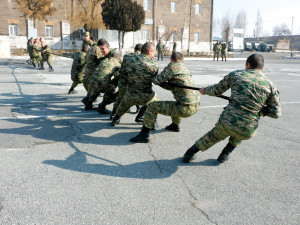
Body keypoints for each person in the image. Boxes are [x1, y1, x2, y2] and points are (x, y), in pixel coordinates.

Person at [182, 54, 281, 164]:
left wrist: (204, 90)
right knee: (242, 128)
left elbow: (216, 90)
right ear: (262, 67)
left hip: (227, 122)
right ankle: (224, 155)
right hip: (248, 128)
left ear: (248, 64)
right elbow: (276, 113)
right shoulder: (270, 85)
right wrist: (260, 110)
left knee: (214, 136)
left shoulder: (236, 75)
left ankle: (189, 154)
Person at [130, 52, 200, 143]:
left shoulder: (172, 66)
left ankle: (144, 135)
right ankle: (174, 126)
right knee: (175, 104)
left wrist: (149, 75)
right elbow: (172, 87)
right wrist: (162, 83)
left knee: (152, 106)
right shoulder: (184, 68)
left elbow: (156, 80)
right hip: (195, 105)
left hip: (184, 108)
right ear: (182, 60)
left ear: (171, 59)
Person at [112, 42, 159, 126]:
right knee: (154, 100)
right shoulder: (154, 65)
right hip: (146, 96)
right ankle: (153, 122)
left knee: (124, 104)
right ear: (149, 52)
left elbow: (123, 73)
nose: (154, 55)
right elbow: (155, 80)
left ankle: (116, 119)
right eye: (153, 52)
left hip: (130, 95)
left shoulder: (130, 61)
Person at [110, 43, 143, 119]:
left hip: (123, 81)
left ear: (134, 49)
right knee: (139, 96)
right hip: (134, 82)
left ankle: (114, 113)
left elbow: (122, 68)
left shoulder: (127, 56)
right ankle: (140, 113)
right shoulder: (143, 58)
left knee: (120, 97)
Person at [81, 39, 104, 105]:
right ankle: (87, 99)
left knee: (92, 85)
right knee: (95, 86)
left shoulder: (91, 48)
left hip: (88, 70)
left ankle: (88, 99)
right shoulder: (97, 48)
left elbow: (86, 58)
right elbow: (100, 60)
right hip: (93, 71)